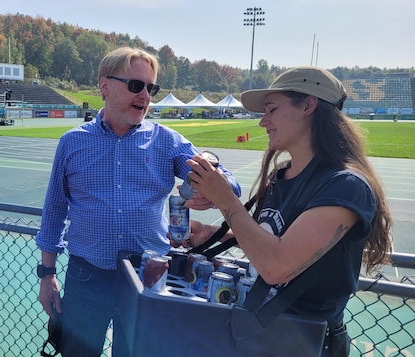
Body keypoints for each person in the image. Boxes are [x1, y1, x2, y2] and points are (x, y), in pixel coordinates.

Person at [36, 46, 241, 357]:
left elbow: (226, 180)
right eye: (135, 85)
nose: (145, 96)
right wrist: (47, 276)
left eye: (151, 88)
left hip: (150, 275)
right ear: (105, 86)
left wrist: (216, 185)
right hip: (87, 275)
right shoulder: (72, 143)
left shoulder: (167, 142)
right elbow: (53, 213)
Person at [180, 66, 392, 357]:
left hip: (303, 341)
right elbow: (274, 238)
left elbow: (277, 266)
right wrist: (215, 233)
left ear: (307, 105)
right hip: (261, 332)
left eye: (272, 109)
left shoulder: (345, 186)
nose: (262, 122)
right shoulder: (284, 175)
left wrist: (226, 200)